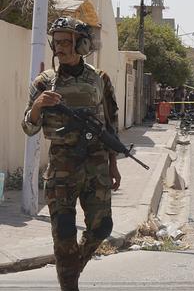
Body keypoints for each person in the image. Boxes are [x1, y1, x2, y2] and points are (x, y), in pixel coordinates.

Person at [21, 17, 121, 291]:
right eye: (57, 41)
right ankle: (70, 285)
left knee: (102, 227)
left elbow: (110, 124)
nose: (59, 47)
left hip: (97, 162)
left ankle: (72, 268)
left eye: (67, 41)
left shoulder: (100, 79)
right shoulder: (44, 82)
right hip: (62, 166)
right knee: (64, 233)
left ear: (83, 44)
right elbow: (28, 128)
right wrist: (39, 106)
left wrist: (113, 164)